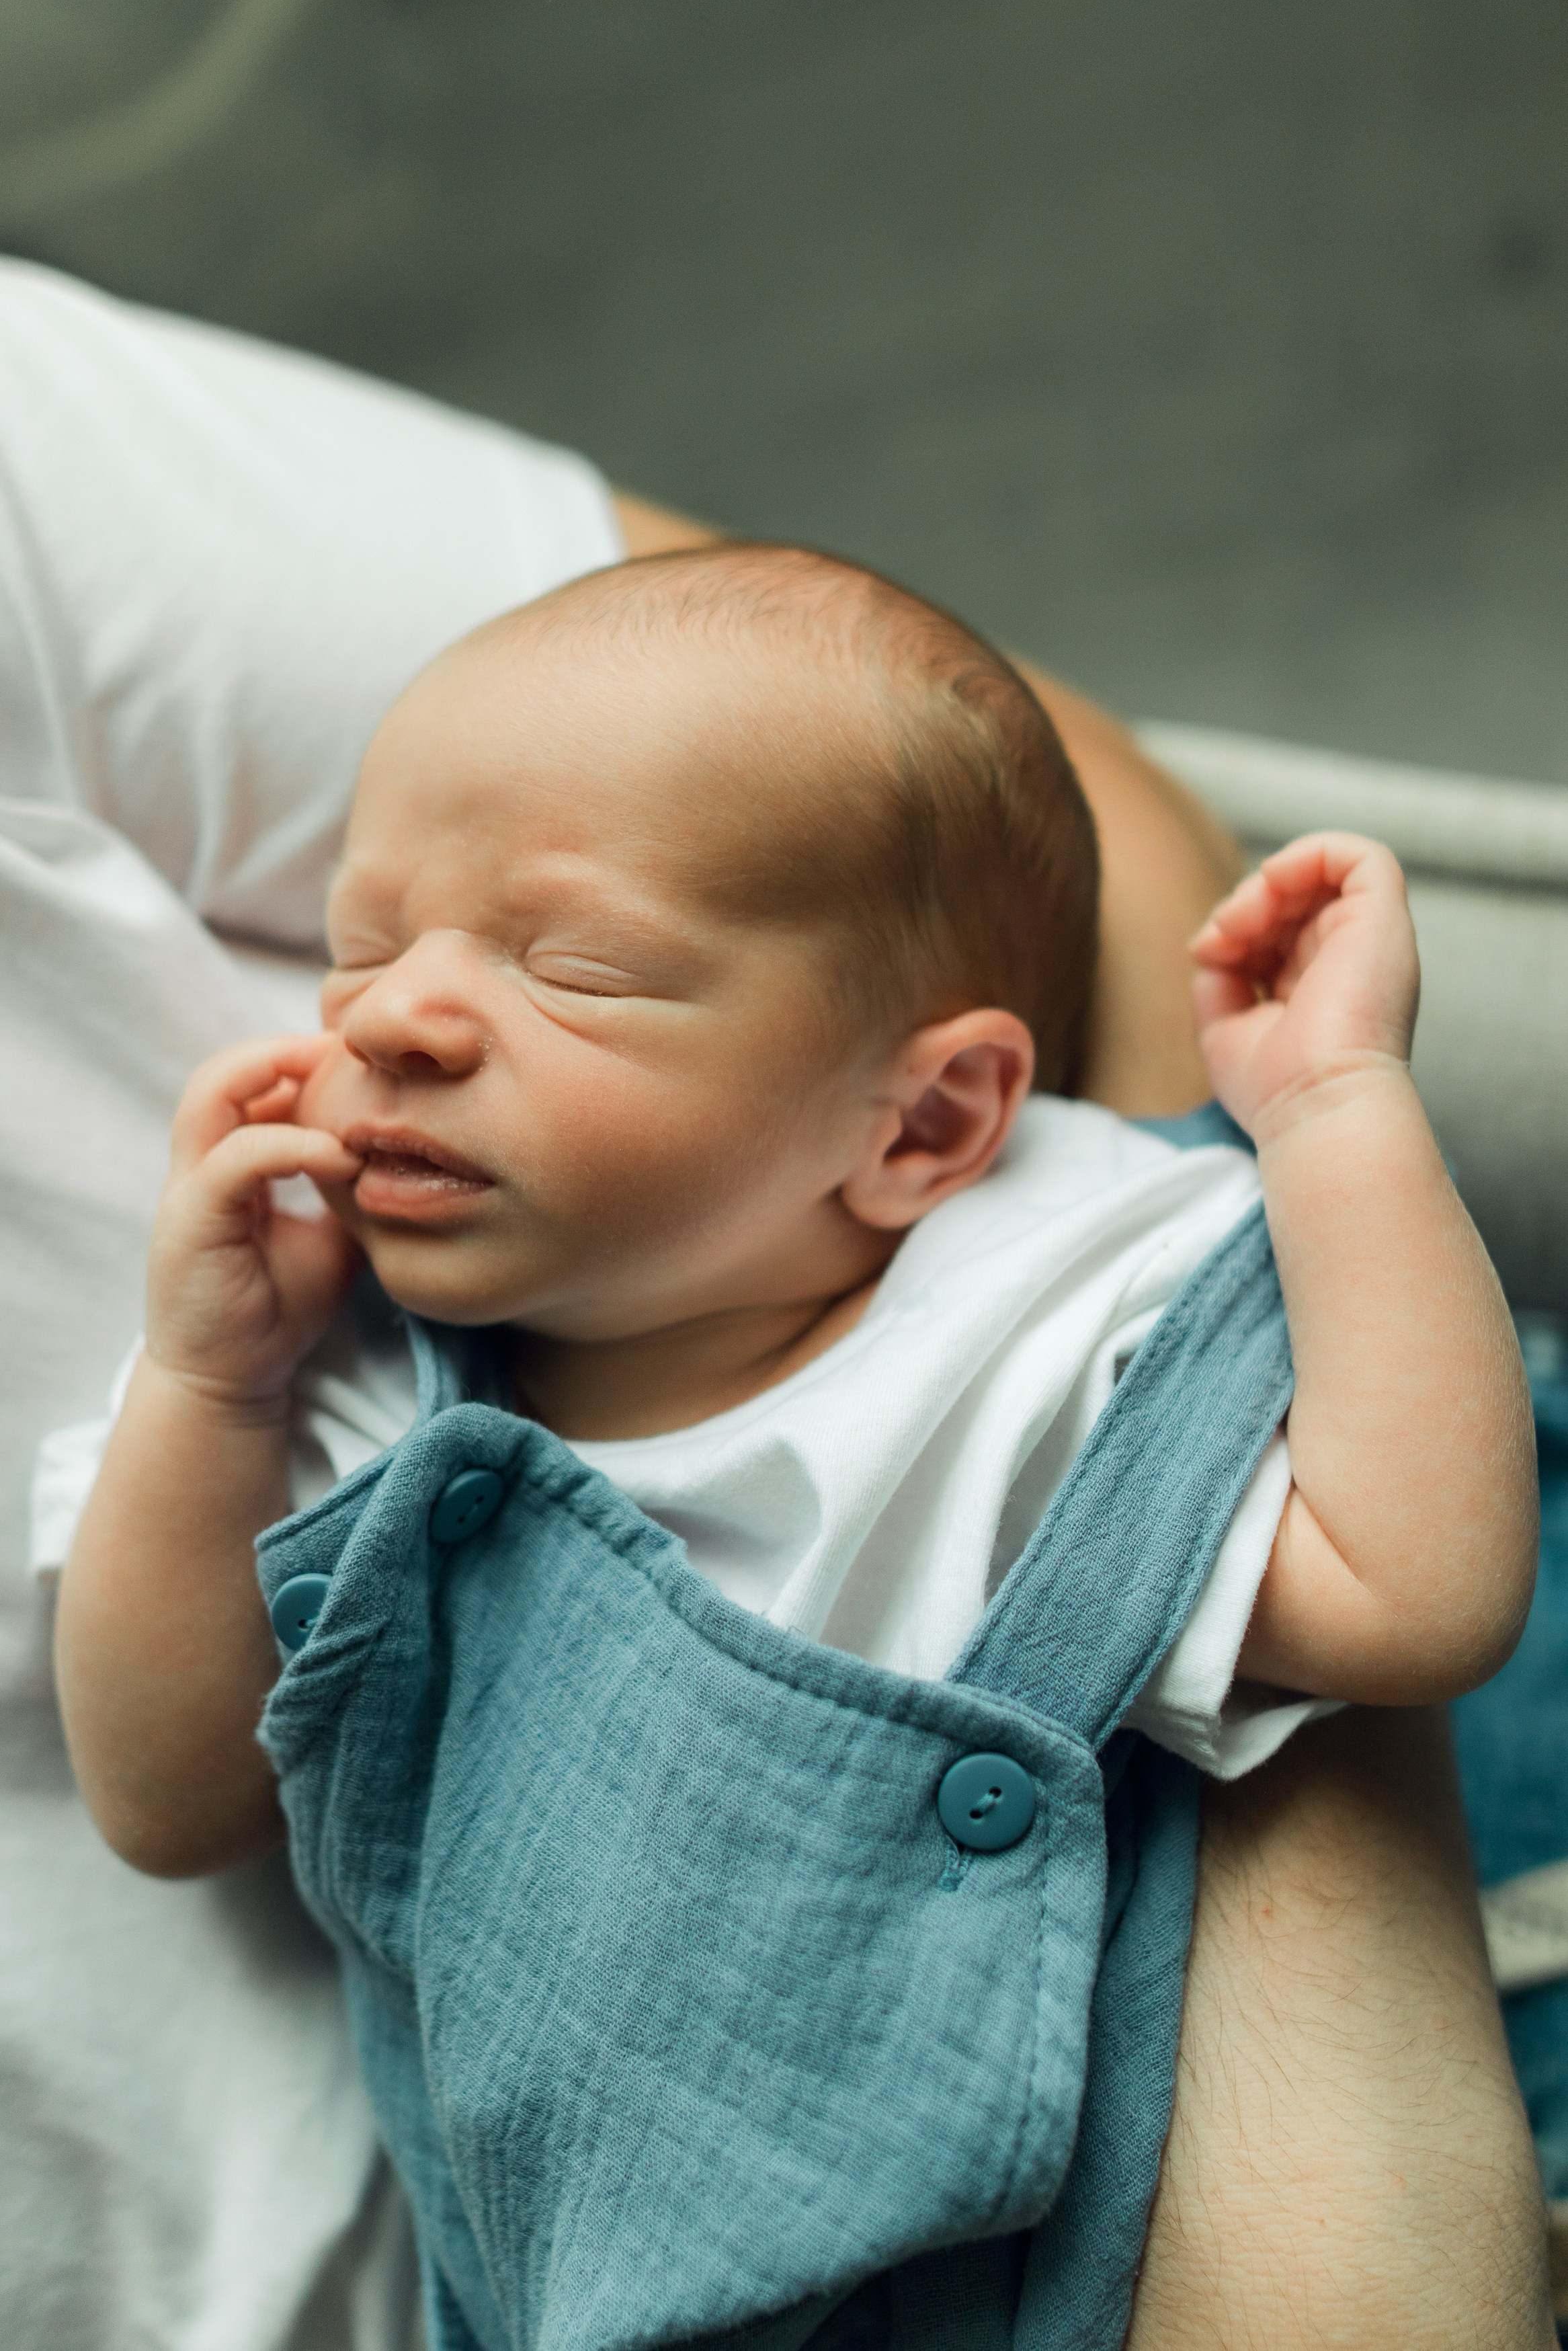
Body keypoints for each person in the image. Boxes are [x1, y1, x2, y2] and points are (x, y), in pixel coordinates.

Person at [0, 257, 1552, 2346]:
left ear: (920, 1121)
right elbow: (171, 1795)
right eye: (359, 950)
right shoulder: (362, 1380)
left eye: (574, 967)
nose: (403, 1022)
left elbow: (1419, 1592)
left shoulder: (1030, 1314)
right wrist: (207, 1382)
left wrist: (1342, 1122)